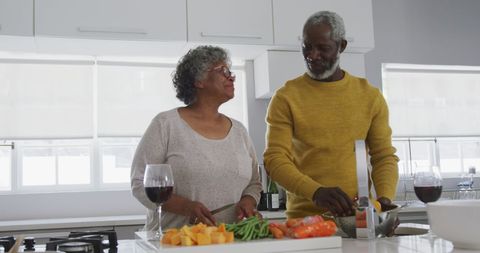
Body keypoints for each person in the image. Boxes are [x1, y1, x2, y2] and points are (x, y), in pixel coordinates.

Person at [263, 11, 399, 220]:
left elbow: (383, 157)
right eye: (307, 46)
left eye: (322, 48)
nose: (312, 54)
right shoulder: (286, 97)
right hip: (304, 220)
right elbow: (275, 160)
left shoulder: (370, 96)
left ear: (341, 46)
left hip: (359, 218)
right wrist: (316, 192)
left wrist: (384, 199)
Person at [131, 45, 262, 231]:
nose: (231, 76)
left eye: (230, 71)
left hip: (229, 242)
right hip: (174, 243)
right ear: (199, 80)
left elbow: (253, 184)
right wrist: (185, 207)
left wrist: (248, 201)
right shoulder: (166, 124)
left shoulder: (239, 131)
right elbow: (139, 183)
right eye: (222, 71)